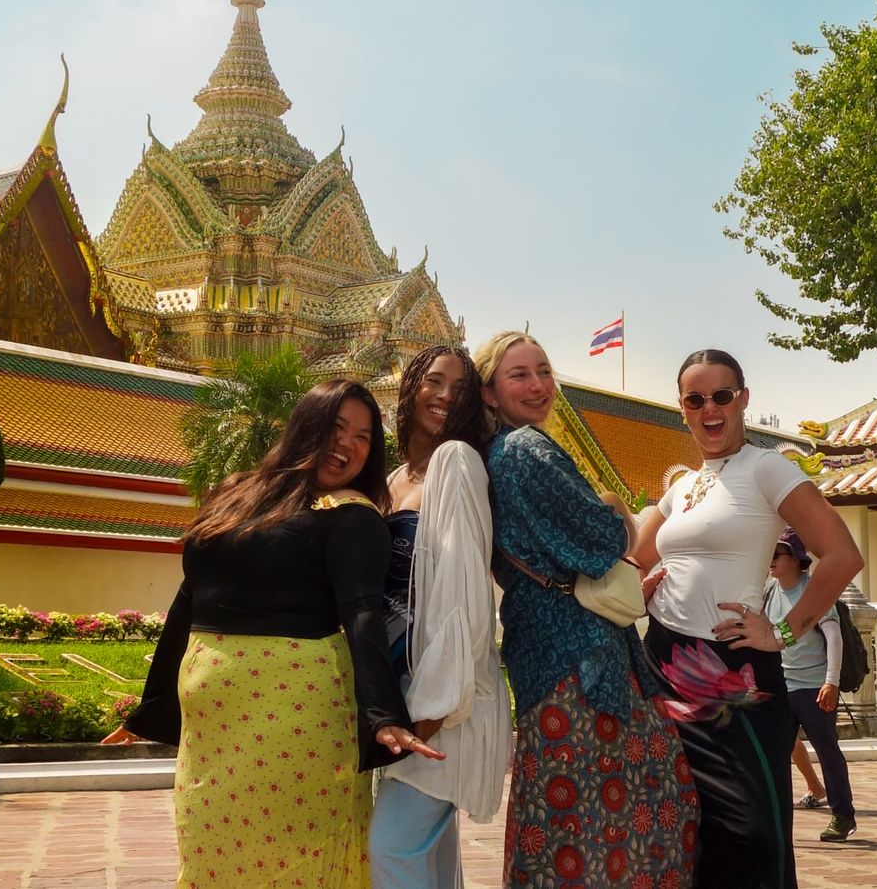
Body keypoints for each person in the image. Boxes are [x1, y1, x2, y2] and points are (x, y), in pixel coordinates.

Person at [102, 379, 444, 888]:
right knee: (211, 858)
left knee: (291, 862)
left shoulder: (351, 515)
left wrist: (381, 715)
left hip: (295, 717)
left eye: (363, 437)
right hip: (212, 731)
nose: (347, 444)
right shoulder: (236, 494)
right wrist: (152, 709)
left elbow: (362, 613)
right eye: (336, 427)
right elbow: (188, 599)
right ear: (306, 427)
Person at [634, 348, 864, 888]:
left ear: (742, 399)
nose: (710, 409)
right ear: (682, 409)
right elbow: (632, 561)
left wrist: (782, 631)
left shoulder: (766, 467)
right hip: (663, 664)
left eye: (721, 396)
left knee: (753, 830)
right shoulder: (681, 489)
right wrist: (637, 592)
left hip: (735, 671)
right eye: (696, 399)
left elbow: (842, 555)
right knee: (681, 824)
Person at [476, 330, 698, 888]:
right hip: (577, 658)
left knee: (566, 818)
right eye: (518, 375)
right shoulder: (525, 449)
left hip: (546, 653)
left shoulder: (504, 452)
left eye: (544, 371)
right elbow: (603, 542)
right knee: (622, 812)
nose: (538, 386)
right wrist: (616, 506)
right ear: (489, 393)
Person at [369, 346, 512, 889]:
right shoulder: (393, 479)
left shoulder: (457, 461)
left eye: (460, 388)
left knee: (392, 849)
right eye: (434, 380)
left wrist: (431, 711)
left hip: (445, 701)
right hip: (406, 690)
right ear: (410, 386)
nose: (445, 395)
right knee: (429, 857)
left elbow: (464, 596)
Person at [766, 530, 856, 839]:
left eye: (776, 555)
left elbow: (833, 636)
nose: (771, 561)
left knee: (826, 750)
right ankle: (775, 819)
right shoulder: (768, 592)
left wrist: (831, 682)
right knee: (776, 752)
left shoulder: (813, 591)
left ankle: (843, 815)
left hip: (813, 686)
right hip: (782, 685)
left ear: (795, 559)